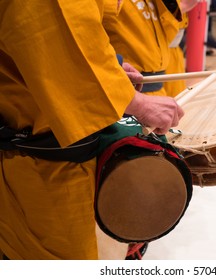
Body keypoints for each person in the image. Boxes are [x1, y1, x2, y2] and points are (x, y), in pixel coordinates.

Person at [0, 0, 184, 260]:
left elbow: (69, 37)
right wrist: (136, 103)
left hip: (45, 146)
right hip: (39, 158)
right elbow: (59, 28)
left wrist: (111, 67)